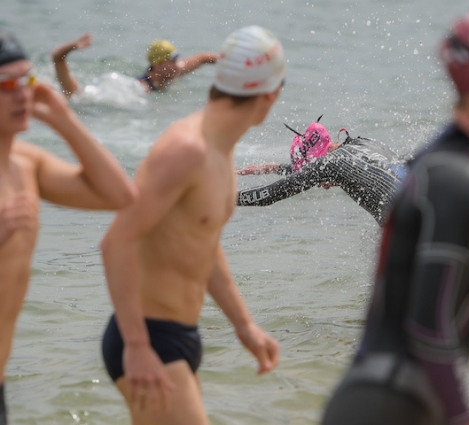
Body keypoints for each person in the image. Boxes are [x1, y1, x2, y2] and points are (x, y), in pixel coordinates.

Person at [321, 6, 469, 425]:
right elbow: (428, 329)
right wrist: (465, 417)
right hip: (392, 408)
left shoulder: (436, 162)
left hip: (387, 401)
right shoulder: (456, 180)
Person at [100, 25, 285, 425]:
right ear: (271, 94)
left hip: (180, 335)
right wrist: (136, 346)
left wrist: (245, 326)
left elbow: (203, 243)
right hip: (147, 338)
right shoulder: (186, 149)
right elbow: (116, 242)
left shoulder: (220, 150)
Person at [0, 30, 136, 425]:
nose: (22, 95)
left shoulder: (27, 165)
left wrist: (65, 121)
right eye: (7, 85)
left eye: (26, 81)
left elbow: (119, 196)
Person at [236, 117, 408, 225]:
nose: (323, 186)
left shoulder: (330, 164)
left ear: (316, 159)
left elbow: (269, 195)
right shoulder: (368, 143)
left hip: (409, 230)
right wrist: (257, 169)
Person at [52, 32, 219, 97]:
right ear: (159, 64)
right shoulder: (141, 88)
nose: (177, 65)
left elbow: (204, 58)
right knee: (76, 95)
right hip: (112, 89)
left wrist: (236, 60)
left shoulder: (172, 72)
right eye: (172, 61)